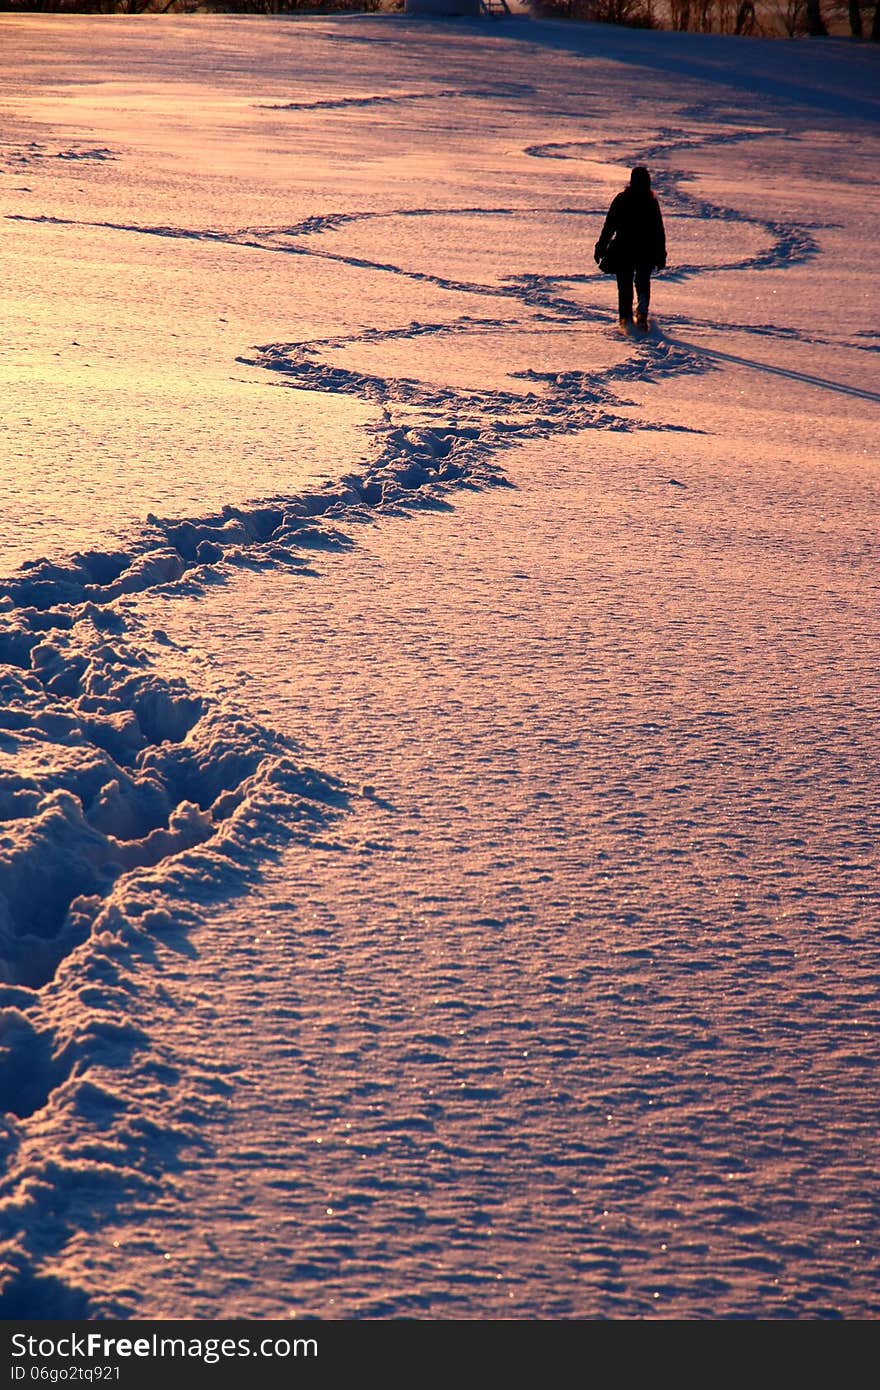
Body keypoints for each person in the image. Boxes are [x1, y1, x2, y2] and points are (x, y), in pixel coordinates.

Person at [594, 166, 667, 330]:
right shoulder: (650, 201)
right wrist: (661, 254)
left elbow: (609, 226)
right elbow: (658, 230)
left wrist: (601, 246)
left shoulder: (622, 199)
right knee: (642, 280)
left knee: (624, 284)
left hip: (623, 248)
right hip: (645, 248)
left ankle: (625, 320)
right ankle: (642, 311)